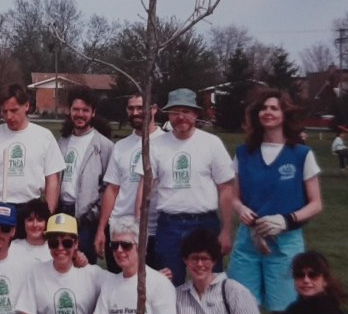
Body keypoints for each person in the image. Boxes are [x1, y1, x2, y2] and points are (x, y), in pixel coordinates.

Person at [228, 90, 323, 314]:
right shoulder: (243, 153)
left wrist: (286, 219)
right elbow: (234, 196)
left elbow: (316, 204)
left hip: (285, 240)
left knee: (285, 311)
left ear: (284, 114)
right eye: (263, 108)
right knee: (240, 307)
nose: (267, 112)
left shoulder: (301, 154)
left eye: (274, 108)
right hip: (249, 240)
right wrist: (240, 209)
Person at [138, 88, 235, 287]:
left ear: (196, 114)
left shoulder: (211, 143)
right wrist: (139, 228)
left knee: (211, 284)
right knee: (168, 285)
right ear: (168, 115)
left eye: (186, 111)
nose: (180, 117)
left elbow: (226, 188)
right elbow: (145, 187)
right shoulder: (156, 145)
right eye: (175, 112)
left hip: (205, 223)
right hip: (169, 225)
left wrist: (226, 230)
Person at [0, 83, 65, 248]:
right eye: (4, 111)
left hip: (30, 211)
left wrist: (47, 217)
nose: (9, 116)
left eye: (14, 110)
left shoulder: (44, 137)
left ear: (27, 106)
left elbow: (52, 180)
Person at [95, 93, 164, 272]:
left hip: (154, 231)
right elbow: (112, 189)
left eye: (140, 108)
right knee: (119, 282)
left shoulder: (166, 143)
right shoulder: (121, 146)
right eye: (131, 108)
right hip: (119, 229)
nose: (135, 112)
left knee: (152, 284)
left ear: (153, 109)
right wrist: (102, 229)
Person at [57, 86, 114, 264]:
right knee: (61, 264)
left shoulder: (104, 145)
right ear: (69, 110)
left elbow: (108, 186)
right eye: (76, 109)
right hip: (62, 212)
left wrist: (93, 213)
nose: (80, 114)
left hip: (86, 218)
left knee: (84, 267)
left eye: (85, 110)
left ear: (93, 112)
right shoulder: (62, 142)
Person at [8, 198, 52, 263]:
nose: (35, 225)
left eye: (40, 220)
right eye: (30, 220)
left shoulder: (53, 247)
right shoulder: (12, 247)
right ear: (23, 222)